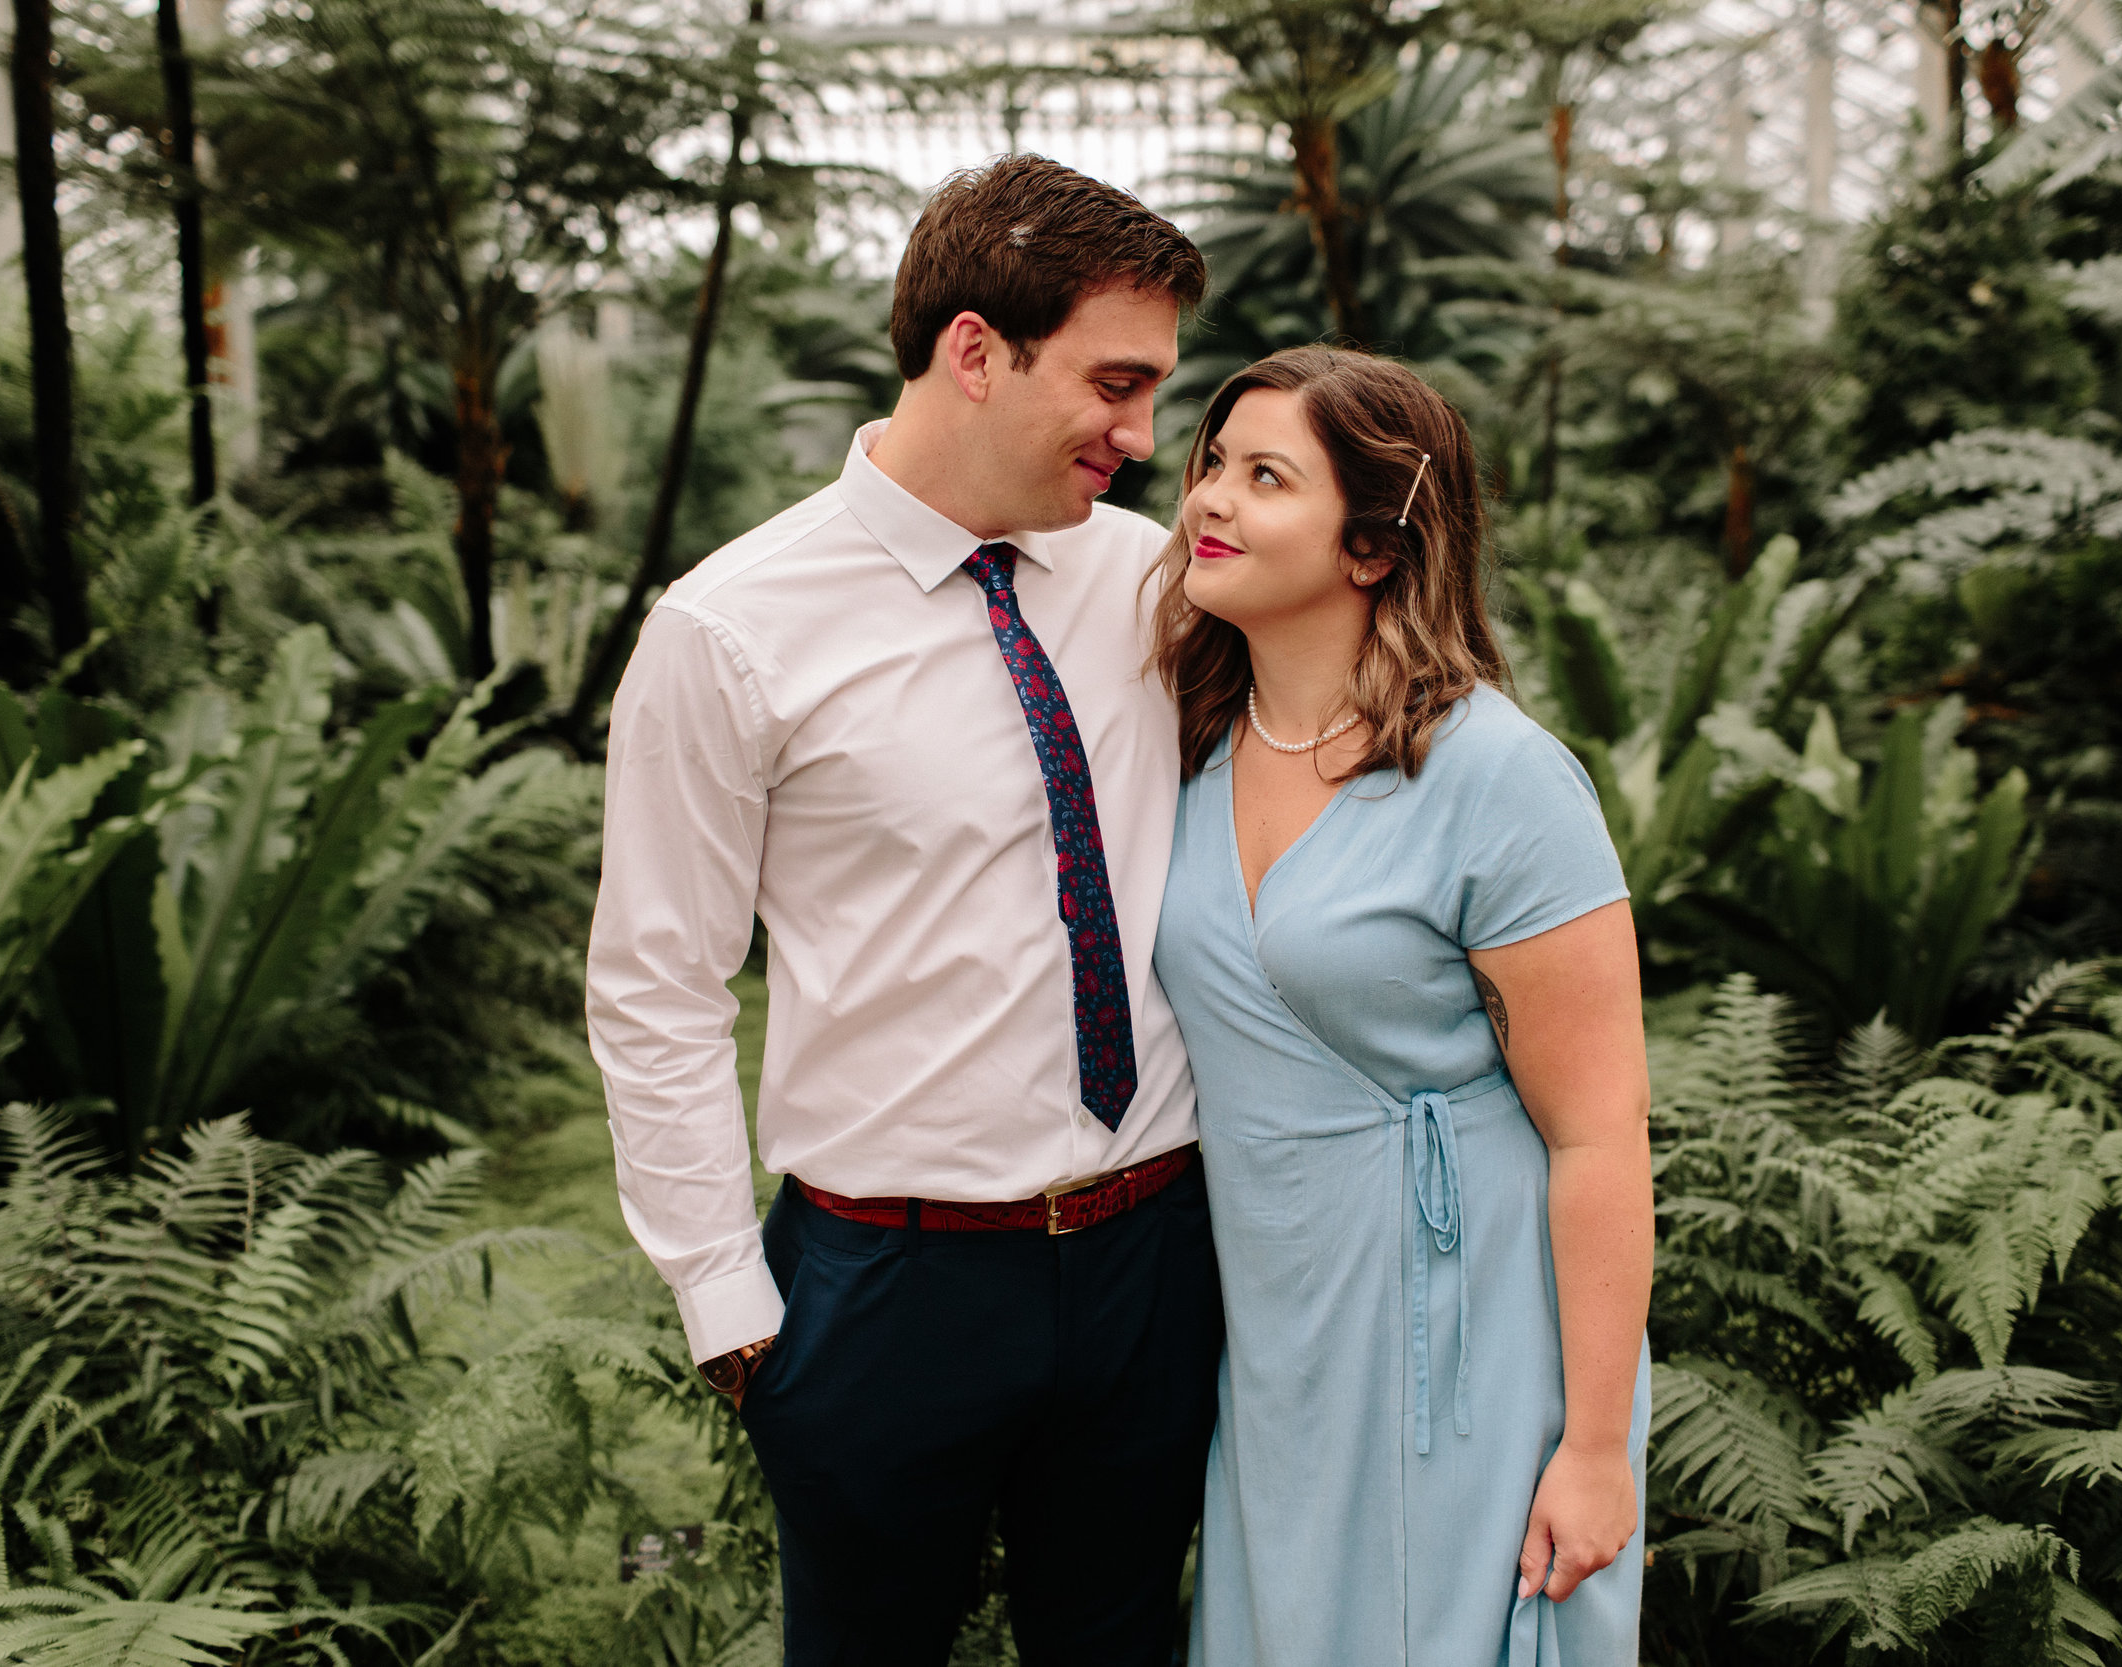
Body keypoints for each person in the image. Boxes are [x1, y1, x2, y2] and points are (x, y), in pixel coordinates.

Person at [585, 156, 1222, 1666]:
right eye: (1116, 385)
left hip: (1153, 1258)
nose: (1144, 439)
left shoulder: (1161, 583)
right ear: (976, 350)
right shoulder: (730, 630)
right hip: (888, 1286)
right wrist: (726, 1303)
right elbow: (658, 984)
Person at [1147, 346, 1655, 1666]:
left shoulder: (1500, 777)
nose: (1209, 498)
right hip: (1274, 1326)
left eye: (1266, 476)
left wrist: (1595, 1450)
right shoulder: (1185, 753)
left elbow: (1602, 1137)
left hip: (1464, 1325)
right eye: (1213, 464)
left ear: (1374, 547)